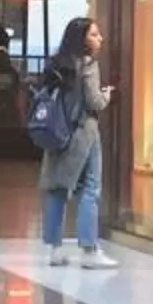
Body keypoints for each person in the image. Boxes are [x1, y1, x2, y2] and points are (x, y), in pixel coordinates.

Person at [38, 17, 117, 270]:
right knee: (90, 187)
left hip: (56, 132)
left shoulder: (56, 64)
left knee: (56, 188)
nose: (100, 39)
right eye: (94, 34)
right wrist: (106, 96)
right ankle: (89, 249)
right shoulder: (89, 65)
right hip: (84, 133)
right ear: (83, 39)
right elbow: (93, 102)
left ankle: (55, 249)